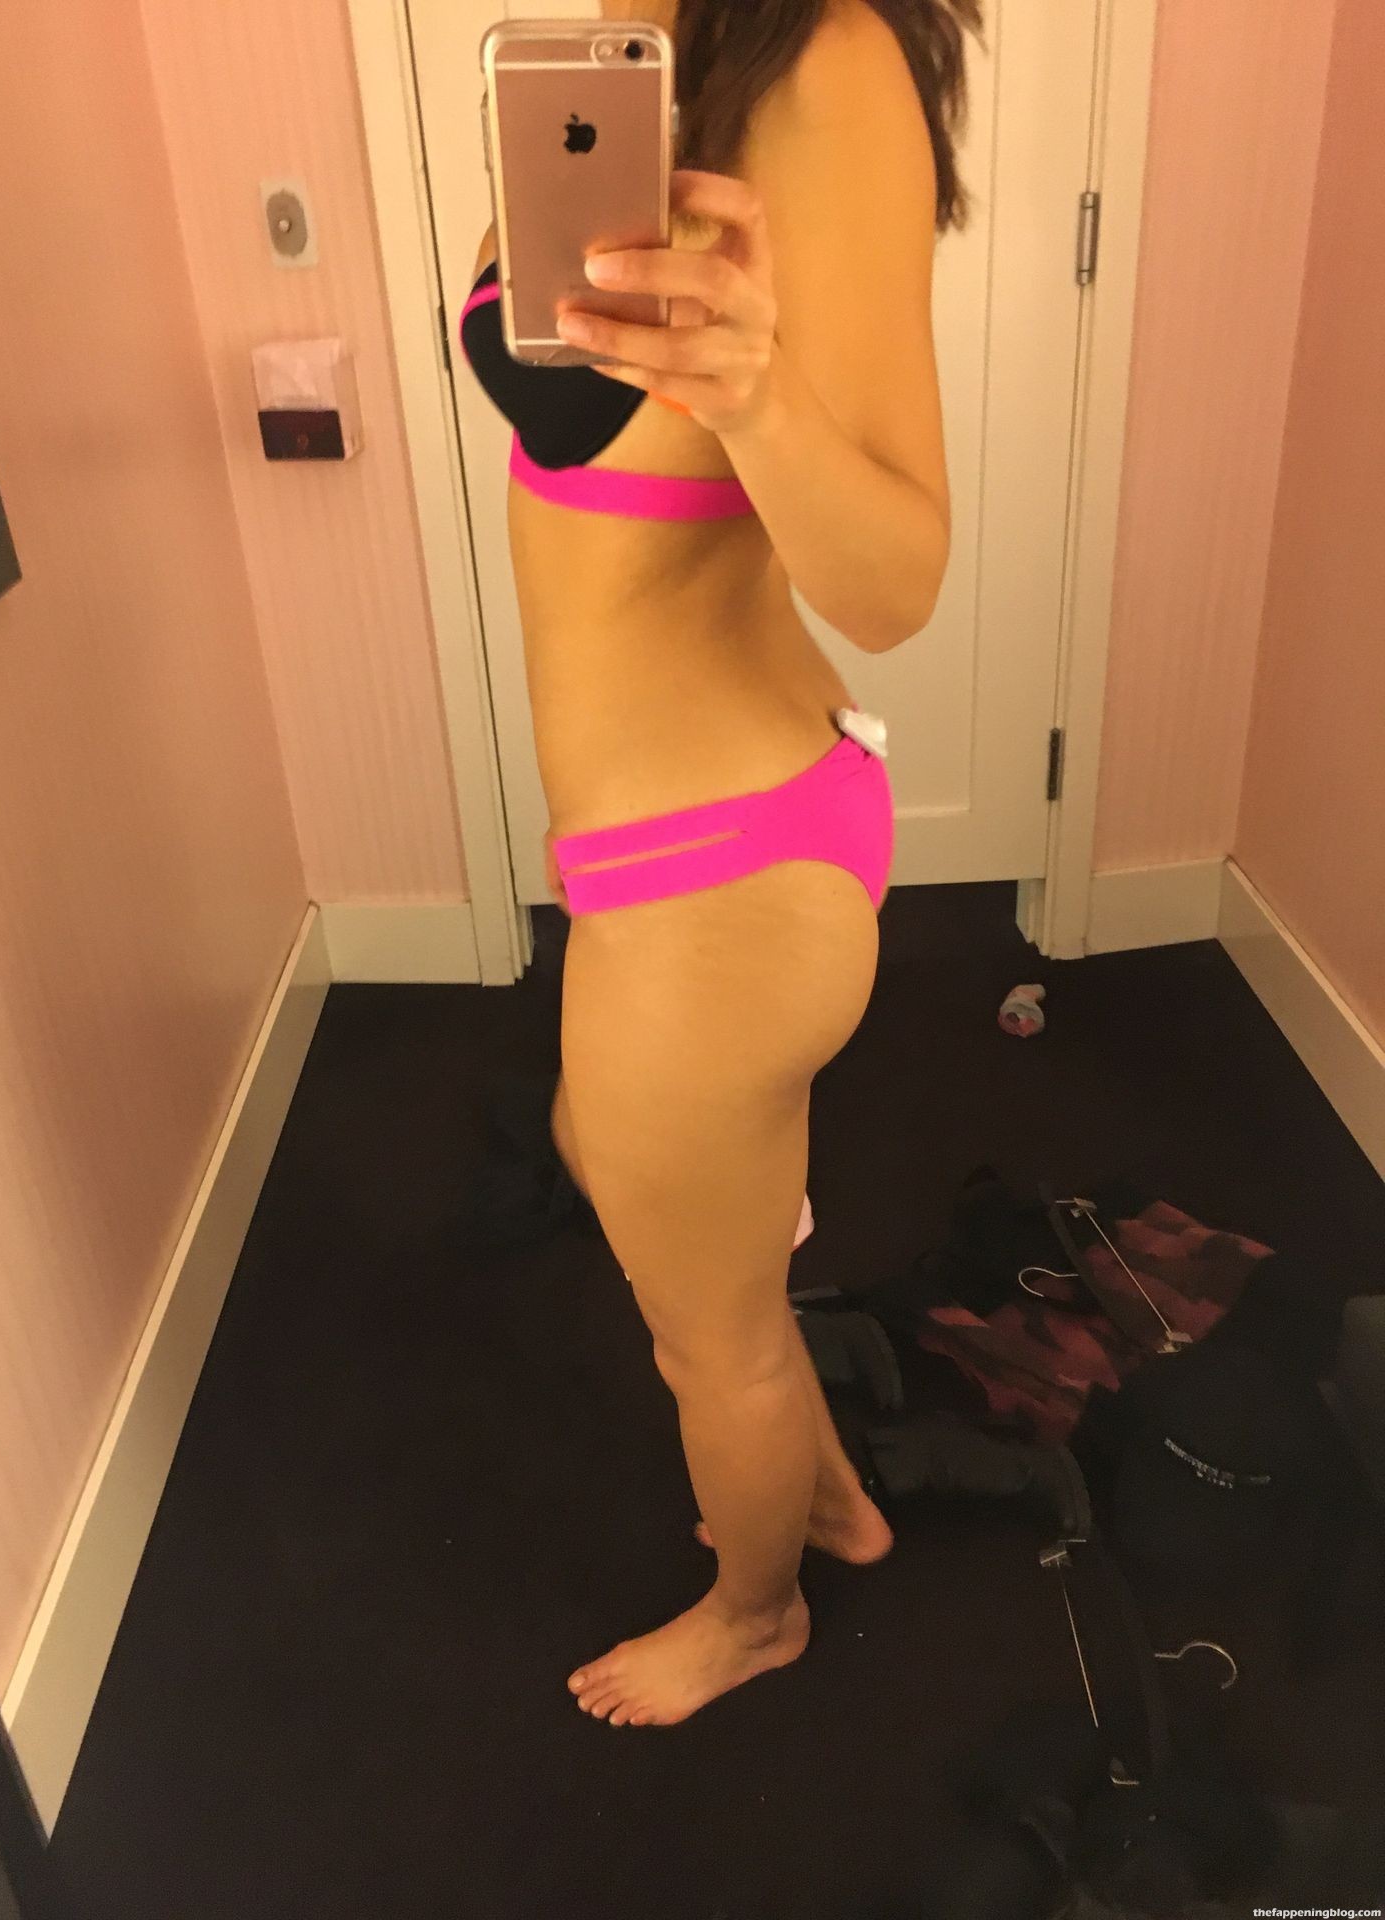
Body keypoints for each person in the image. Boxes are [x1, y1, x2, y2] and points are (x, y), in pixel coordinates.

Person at [458, 0, 974, 1727]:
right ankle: (821, 1497)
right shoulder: (618, 38)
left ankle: (758, 1615)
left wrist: (752, 394)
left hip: (722, 865)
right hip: (653, 850)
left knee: (711, 1337)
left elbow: (896, 579)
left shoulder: (824, 64)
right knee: (624, 1173)